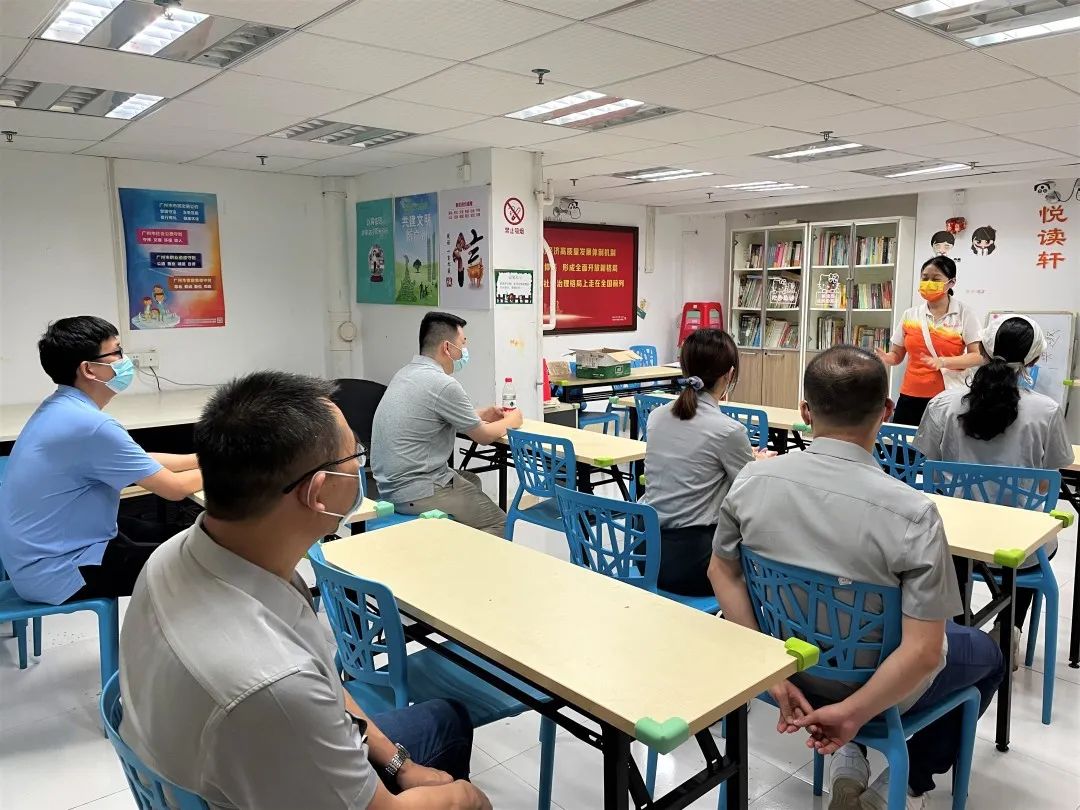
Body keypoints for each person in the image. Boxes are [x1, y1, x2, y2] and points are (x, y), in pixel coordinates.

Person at [119, 371, 492, 810]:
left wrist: (399, 764)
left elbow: (324, 688)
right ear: (318, 492)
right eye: (356, 455)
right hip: (251, 774)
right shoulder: (274, 683)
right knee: (459, 783)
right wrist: (466, 797)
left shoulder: (176, 555)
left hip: (222, 760)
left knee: (445, 718)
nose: (362, 467)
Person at [708, 346, 1003, 810]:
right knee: (987, 653)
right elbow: (924, 653)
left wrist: (771, 673)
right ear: (887, 411)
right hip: (873, 686)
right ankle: (906, 784)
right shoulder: (913, 512)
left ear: (805, 411)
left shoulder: (751, 481)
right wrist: (852, 713)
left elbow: (721, 571)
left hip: (790, 665)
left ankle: (850, 762)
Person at [0, 316, 201, 605]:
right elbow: (174, 489)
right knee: (202, 561)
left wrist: (200, 459)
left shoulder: (62, 407)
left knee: (188, 536)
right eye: (117, 352)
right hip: (60, 572)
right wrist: (235, 467)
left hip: (46, 556)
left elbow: (139, 461)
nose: (125, 361)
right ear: (89, 369)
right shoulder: (89, 425)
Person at [914, 315, 1073, 633]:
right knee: (1036, 534)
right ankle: (1009, 626)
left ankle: (958, 623)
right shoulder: (1047, 411)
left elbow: (932, 472)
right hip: (1017, 548)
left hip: (953, 542)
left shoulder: (943, 404)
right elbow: (1046, 484)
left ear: (983, 351)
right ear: (1034, 360)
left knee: (955, 532)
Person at [640, 329, 766, 596]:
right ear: (729, 374)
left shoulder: (656, 417)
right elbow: (752, 493)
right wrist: (759, 464)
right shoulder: (729, 430)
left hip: (645, 552)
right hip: (694, 563)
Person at [371, 311, 521, 536]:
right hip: (418, 490)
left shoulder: (406, 373)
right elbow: (483, 436)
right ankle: (465, 556)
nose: (464, 351)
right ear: (447, 348)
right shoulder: (443, 384)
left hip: (388, 486)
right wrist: (512, 420)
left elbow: (431, 416)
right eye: (463, 344)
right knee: (502, 523)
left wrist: (483, 413)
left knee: (471, 480)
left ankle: (455, 539)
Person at [875, 256, 982, 426]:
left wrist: (943, 362)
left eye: (935, 279)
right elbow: (897, 355)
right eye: (925, 278)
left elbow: (977, 356)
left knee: (942, 442)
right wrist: (888, 358)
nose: (928, 283)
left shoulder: (964, 313)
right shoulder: (910, 315)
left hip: (947, 396)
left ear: (951, 282)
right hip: (910, 395)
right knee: (906, 441)